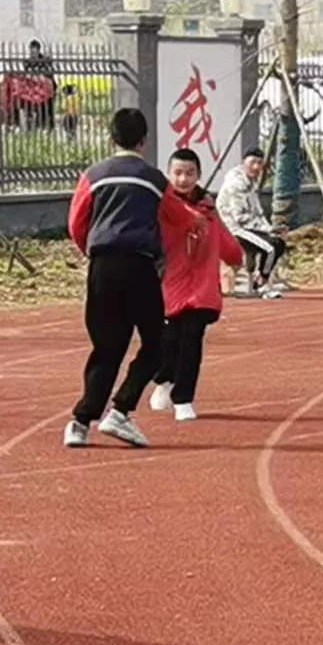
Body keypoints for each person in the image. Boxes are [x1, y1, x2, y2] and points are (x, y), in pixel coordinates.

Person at [64, 108, 204, 449]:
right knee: (156, 343)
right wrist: (197, 218)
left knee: (106, 346)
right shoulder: (154, 180)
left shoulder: (93, 175)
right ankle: (121, 411)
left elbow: (76, 223)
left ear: (111, 139)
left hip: (102, 267)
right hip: (139, 266)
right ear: (144, 141)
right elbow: (180, 216)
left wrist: (93, 252)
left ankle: (80, 423)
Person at [148, 149, 242, 422]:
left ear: (199, 175)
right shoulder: (160, 207)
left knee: (191, 338)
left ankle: (184, 398)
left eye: (189, 173)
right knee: (168, 342)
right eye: (177, 172)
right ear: (168, 174)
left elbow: (222, 237)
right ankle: (164, 379)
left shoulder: (208, 208)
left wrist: (235, 258)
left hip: (202, 288)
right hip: (169, 286)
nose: (183, 178)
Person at [216, 146, 287, 299]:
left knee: (279, 243)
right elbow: (239, 217)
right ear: (243, 162)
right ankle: (262, 284)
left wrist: (270, 228)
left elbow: (258, 212)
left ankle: (259, 280)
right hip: (235, 228)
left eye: (259, 163)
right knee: (270, 248)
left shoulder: (250, 182)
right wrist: (266, 230)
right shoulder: (237, 184)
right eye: (252, 162)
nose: (256, 167)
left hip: (249, 227)